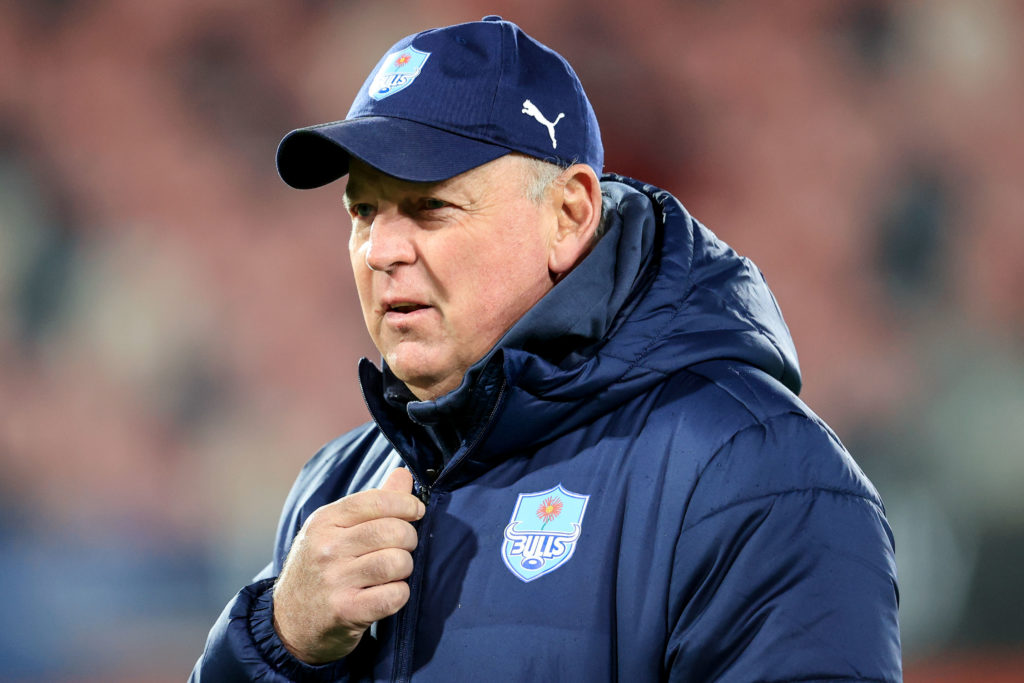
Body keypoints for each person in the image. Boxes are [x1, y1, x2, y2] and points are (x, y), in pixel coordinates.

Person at [191, 16, 901, 682]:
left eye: (430, 206)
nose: (380, 250)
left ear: (569, 215)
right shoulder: (336, 484)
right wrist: (277, 641)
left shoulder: (756, 473)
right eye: (364, 211)